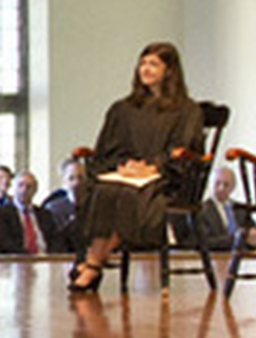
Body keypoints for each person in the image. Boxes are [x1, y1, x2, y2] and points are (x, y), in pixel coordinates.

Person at [68, 41, 204, 293]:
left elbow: (182, 150)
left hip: (165, 179)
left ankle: (92, 263)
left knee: (127, 195)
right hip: (125, 174)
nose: (146, 69)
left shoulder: (187, 110)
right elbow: (106, 150)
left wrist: (153, 167)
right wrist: (125, 166)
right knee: (105, 191)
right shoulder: (123, 109)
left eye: (153, 63)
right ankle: (93, 264)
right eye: (143, 63)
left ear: (169, 70)